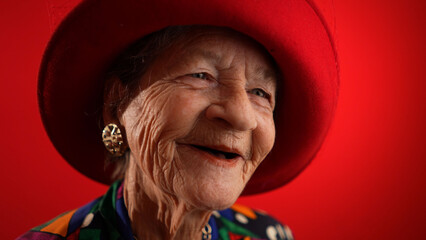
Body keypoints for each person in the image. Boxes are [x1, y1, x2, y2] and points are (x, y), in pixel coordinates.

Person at [18, 0, 339, 239]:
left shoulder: (269, 235)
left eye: (260, 92)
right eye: (201, 75)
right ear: (117, 103)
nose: (241, 116)